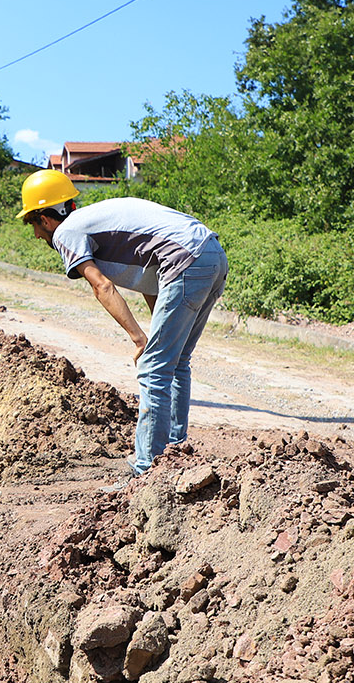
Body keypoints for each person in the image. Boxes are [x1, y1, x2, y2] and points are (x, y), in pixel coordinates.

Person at [19, 169, 228, 476]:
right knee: (177, 360)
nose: (37, 235)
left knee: (154, 367)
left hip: (184, 261)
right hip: (212, 254)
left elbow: (102, 286)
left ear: (46, 218)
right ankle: (175, 451)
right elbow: (151, 277)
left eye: (34, 226)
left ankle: (147, 469)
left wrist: (140, 340)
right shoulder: (99, 219)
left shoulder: (66, 233)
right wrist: (156, 337)